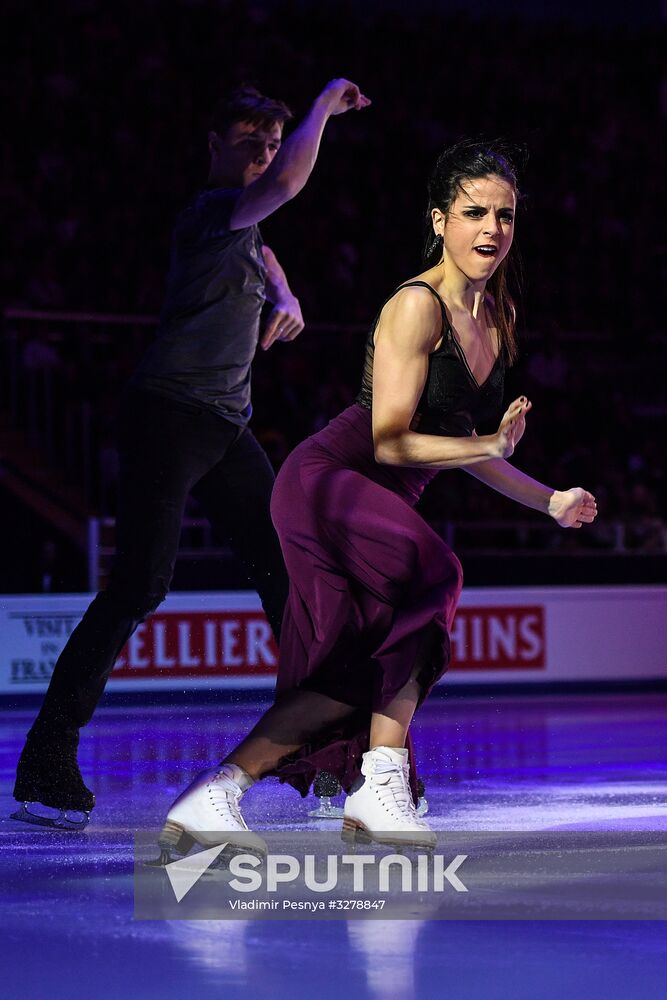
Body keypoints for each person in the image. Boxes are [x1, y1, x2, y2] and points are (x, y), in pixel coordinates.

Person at [158, 139, 598, 855]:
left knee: (361, 662)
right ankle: (381, 777)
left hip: (371, 501)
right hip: (329, 485)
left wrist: (545, 499)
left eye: (504, 216)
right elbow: (393, 442)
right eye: (472, 212)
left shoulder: (494, 317)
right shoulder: (414, 306)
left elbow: (459, 442)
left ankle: (218, 793)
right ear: (438, 221)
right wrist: (489, 445)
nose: (490, 229)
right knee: (438, 575)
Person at [12, 79, 371, 829]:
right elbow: (282, 190)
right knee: (140, 583)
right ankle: (47, 760)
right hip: (166, 417)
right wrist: (321, 109)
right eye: (249, 143)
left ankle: (316, 756)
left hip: (225, 427)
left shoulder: (243, 233)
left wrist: (288, 295)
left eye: (271, 143)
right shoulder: (209, 214)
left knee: (292, 583)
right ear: (213, 146)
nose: (264, 156)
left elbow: (266, 250)